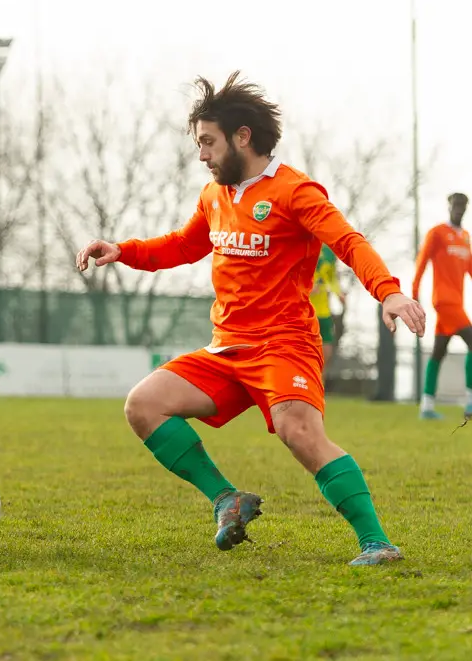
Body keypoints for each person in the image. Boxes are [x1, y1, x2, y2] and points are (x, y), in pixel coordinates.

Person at [75, 71, 425, 566]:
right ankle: (226, 499)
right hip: (227, 348)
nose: (201, 154)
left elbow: (348, 242)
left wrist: (387, 292)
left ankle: (376, 542)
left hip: (284, 345)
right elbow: (183, 245)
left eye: (208, 142)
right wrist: (123, 251)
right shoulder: (214, 195)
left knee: (298, 433)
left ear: (243, 136)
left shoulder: (295, 192)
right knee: (143, 405)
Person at [412, 192, 472, 420]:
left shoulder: (465, 237)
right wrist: (415, 292)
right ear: (449, 206)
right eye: (456, 204)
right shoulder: (437, 233)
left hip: (457, 303)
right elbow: (422, 261)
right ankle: (470, 403)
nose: (459, 209)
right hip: (443, 301)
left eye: (463, 205)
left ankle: (426, 407)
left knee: (438, 352)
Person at [311, 243, 346, 378]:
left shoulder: (329, 251)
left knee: (326, 345)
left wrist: (339, 293)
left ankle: (320, 380)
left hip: (323, 308)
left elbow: (331, 277)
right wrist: (306, 287)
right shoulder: (298, 242)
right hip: (303, 308)